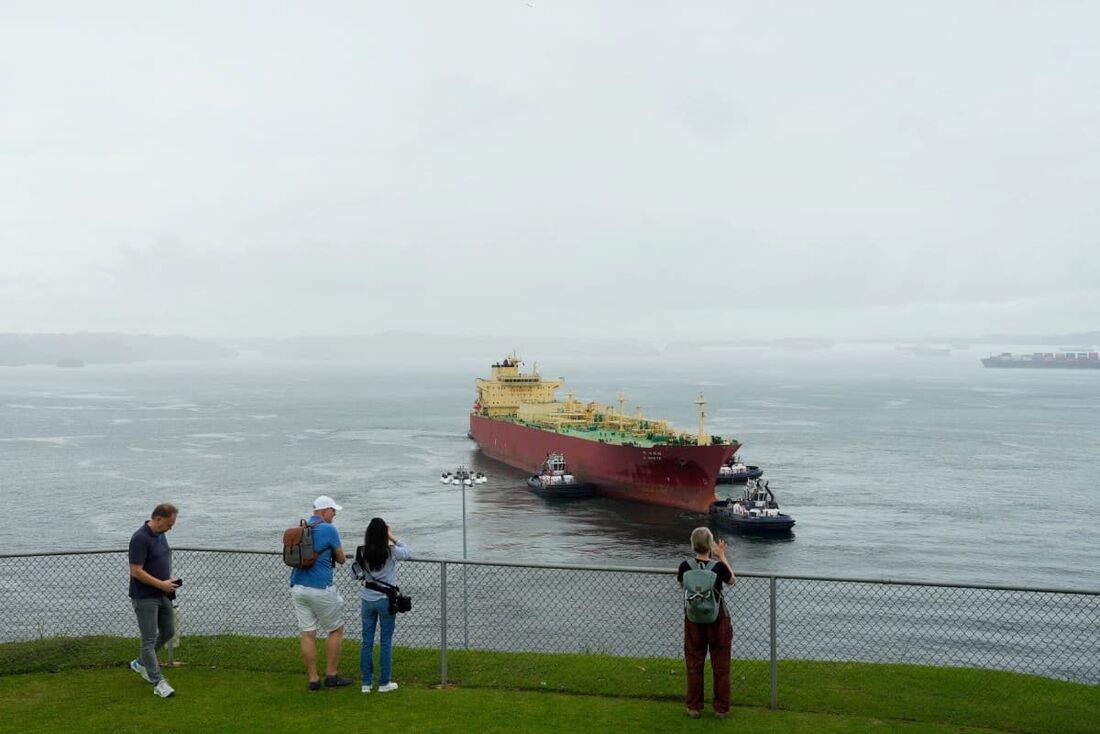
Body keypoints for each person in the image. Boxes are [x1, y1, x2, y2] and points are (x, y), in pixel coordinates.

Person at [289, 495, 352, 690]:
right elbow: (341, 558)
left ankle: (313, 679)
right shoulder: (328, 529)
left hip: (298, 587)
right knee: (335, 629)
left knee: (308, 633)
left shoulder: (302, 527)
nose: (334, 514)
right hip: (320, 588)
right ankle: (332, 676)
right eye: (333, 510)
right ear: (324, 511)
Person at [677, 526, 735, 719]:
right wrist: (722, 556)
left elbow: (682, 586)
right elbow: (732, 580)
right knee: (721, 664)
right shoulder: (718, 568)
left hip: (693, 618)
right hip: (718, 619)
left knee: (694, 662)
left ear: (693, 545)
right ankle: (721, 708)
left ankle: (694, 706)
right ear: (710, 545)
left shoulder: (684, 566)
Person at [128, 502, 179, 698]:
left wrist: (169, 580)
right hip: (145, 597)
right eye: (168, 524)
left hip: (162, 592)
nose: (170, 529)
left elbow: (161, 559)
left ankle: (141, 663)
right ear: (158, 519)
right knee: (148, 640)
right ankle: (158, 682)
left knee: (168, 631)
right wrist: (161, 584)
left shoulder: (160, 534)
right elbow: (136, 571)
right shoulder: (140, 538)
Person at [356, 517, 411, 693]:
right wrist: (392, 536)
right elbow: (407, 551)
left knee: (367, 641)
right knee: (385, 641)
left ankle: (366, 683)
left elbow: (355, 575)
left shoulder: (361, 552)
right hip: (386, 600)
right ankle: (384, 682)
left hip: (367, 599)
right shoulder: (391, 551)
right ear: (384, 534)